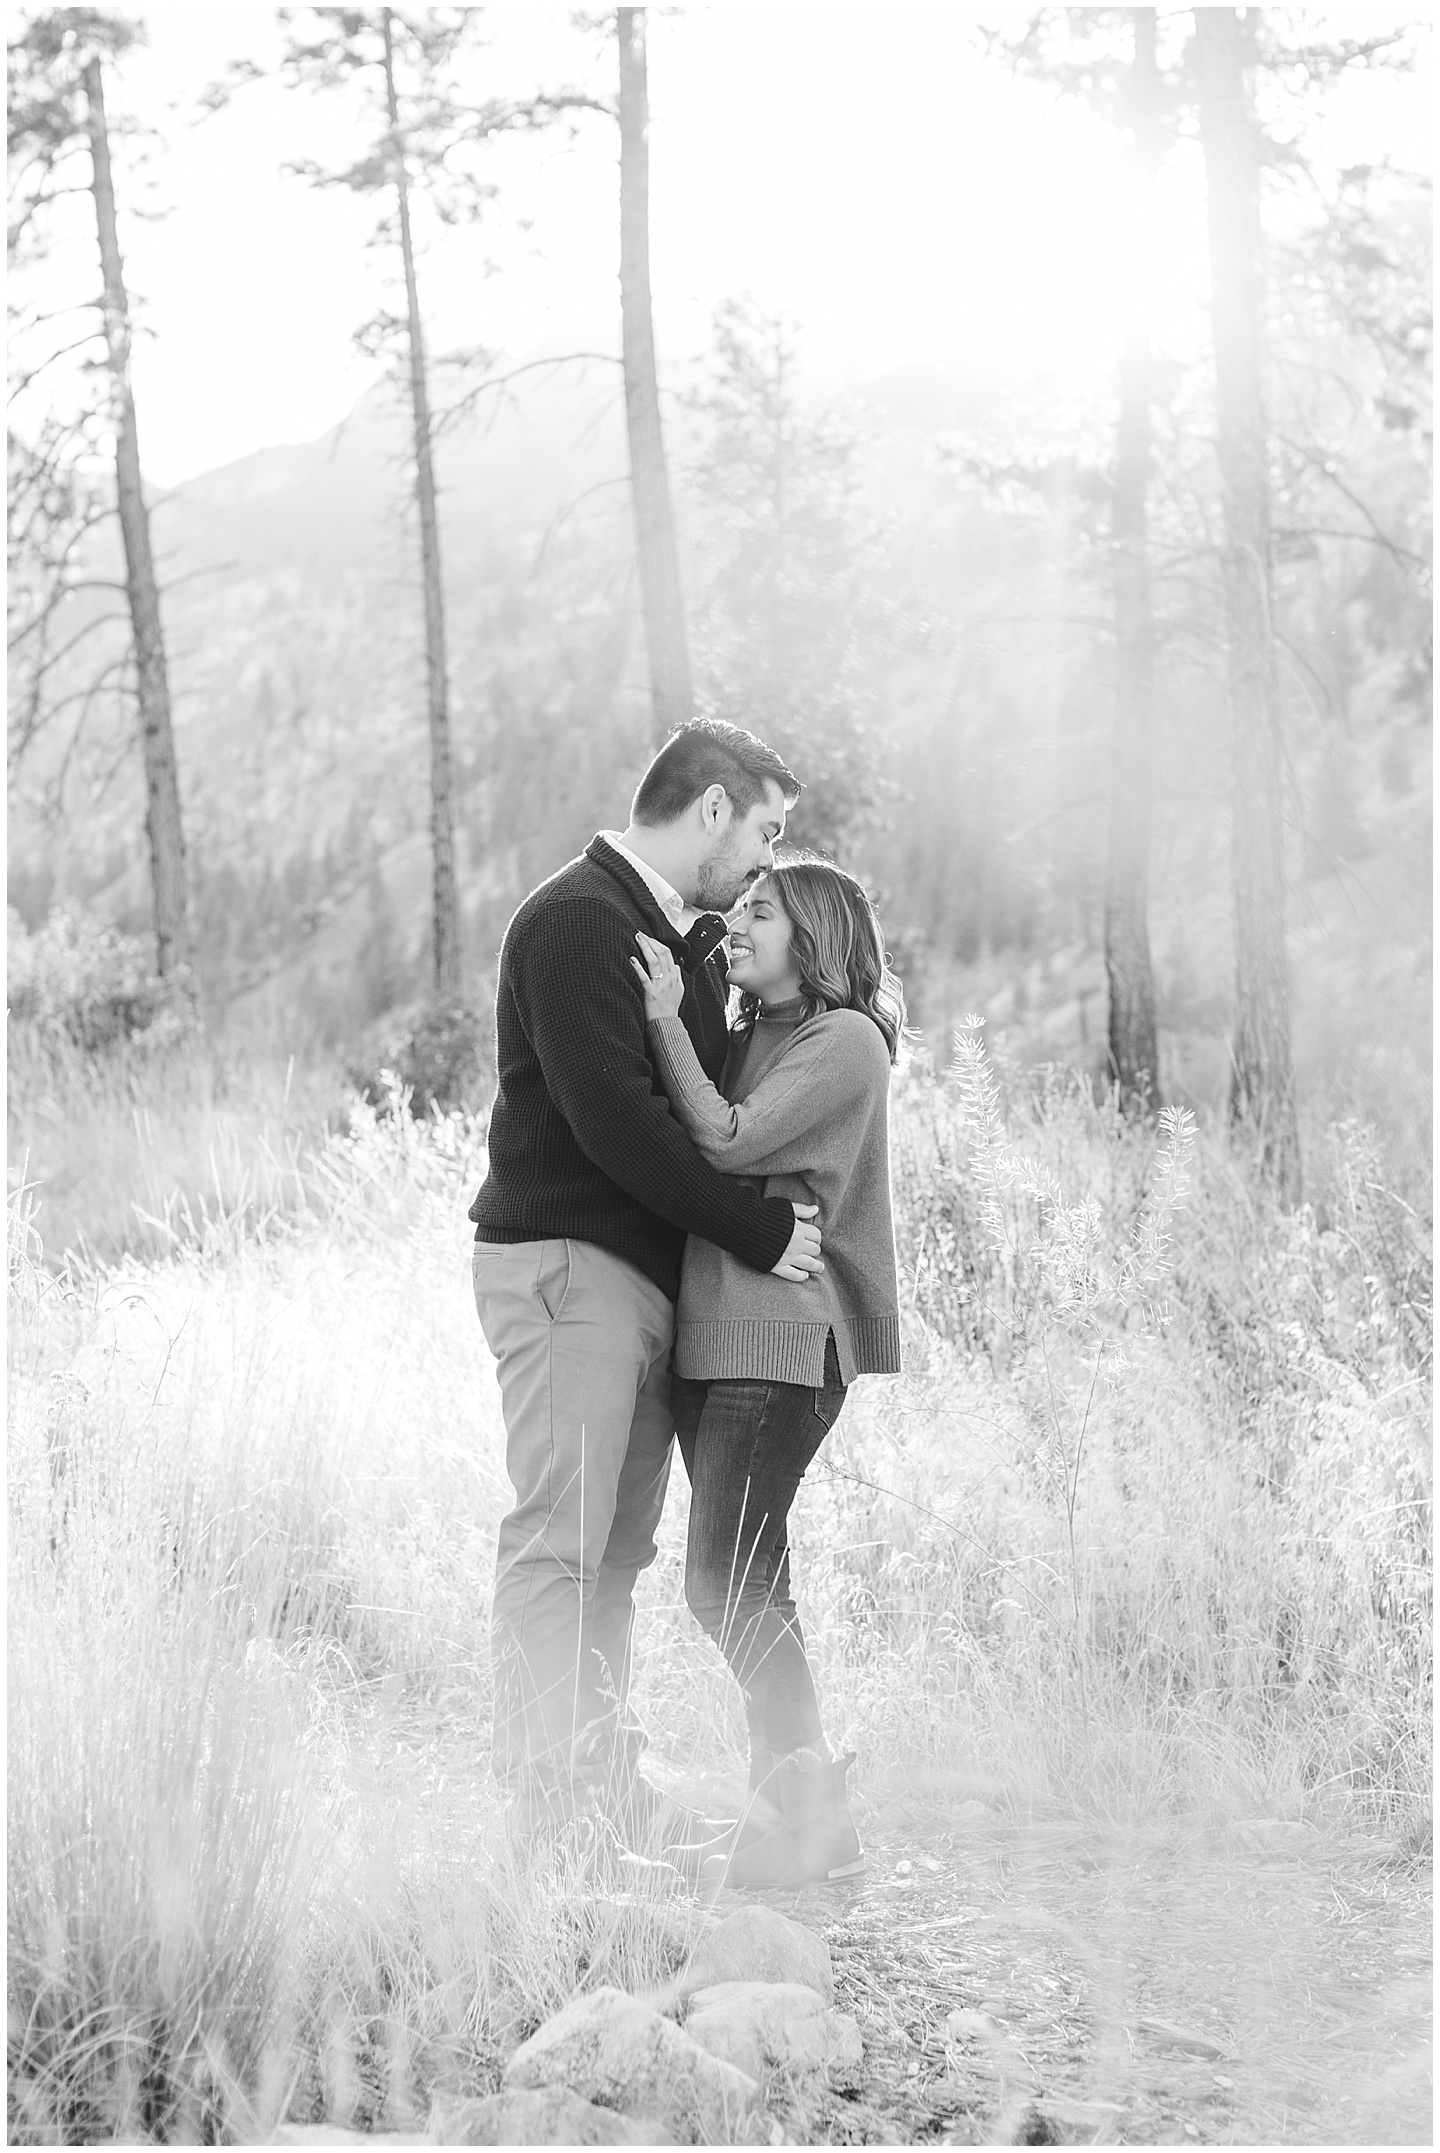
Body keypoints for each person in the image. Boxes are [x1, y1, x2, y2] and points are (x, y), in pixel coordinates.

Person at [468, 720, 826, 1850]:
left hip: (639, 1281)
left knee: (614, 1556)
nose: (766, 858)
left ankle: (600, 1789)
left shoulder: (677, 936)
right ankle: (546, 1811)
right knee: (560, 1545)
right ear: (710, 809)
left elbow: (709, 1114)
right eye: (765, 829)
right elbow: (619, 1128)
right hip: (572, 1268)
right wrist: (756, 1233)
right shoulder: (577, 918)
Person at [632, 857, 904, 1889]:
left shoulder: (846, 1042)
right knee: (759, 1585)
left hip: (783, 1348)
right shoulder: (750, 1033)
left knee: (719, 1585)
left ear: (818, 933)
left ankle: (810, 1808)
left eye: (760, 911)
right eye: (737, 907)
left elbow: (724, 1136)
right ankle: (797, 1825)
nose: (737, 922)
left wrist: (664, 1012)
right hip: (718, 1345)